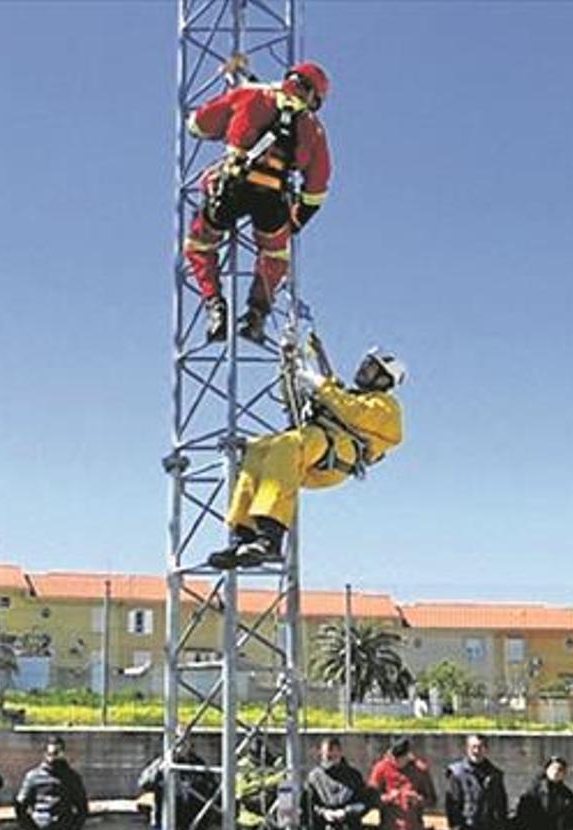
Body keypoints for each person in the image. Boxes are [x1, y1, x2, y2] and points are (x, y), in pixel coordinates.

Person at [207, 348, 405, 570]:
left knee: (288, 444)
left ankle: (270, 538)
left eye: (371, 368)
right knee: (257, 453)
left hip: (338, 449)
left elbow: (353, 413)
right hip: (315, 444)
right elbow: (298, 404)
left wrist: (319, 383)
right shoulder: (343, 394)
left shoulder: (386, 406)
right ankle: (245, 537)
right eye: (365, 364)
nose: (362, 369)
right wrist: (291, 370)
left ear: (384, 379)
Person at [183, 62, 331, 345]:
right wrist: (296, 221)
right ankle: (256, 314)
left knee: (200, 244)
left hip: (230, 189)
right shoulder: (313, 128)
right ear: (313, 96)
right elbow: (317, 186)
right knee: (275, 256)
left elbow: (198, 125)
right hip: (272, 200)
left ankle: (214, 305)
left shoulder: (248, 94)